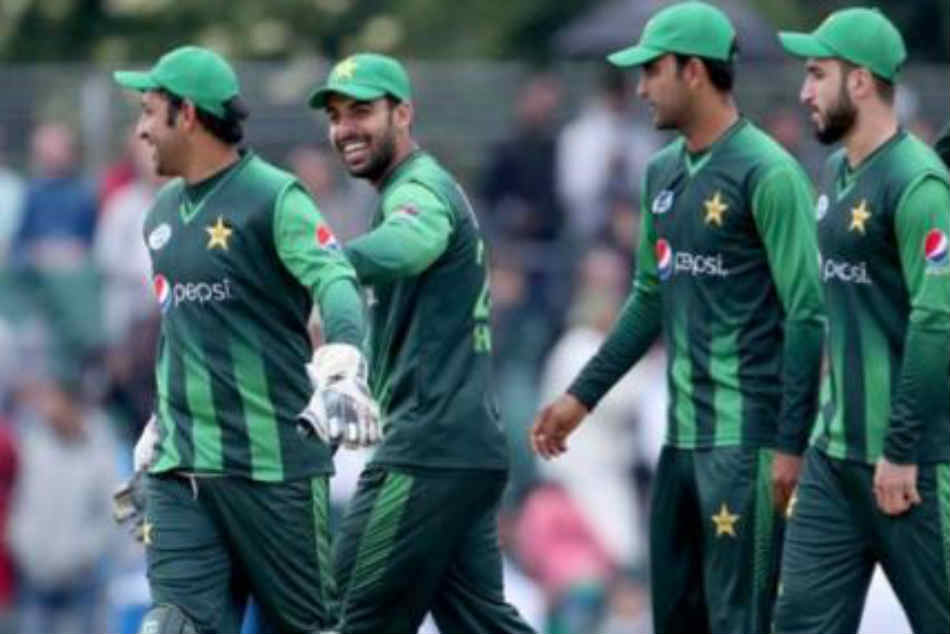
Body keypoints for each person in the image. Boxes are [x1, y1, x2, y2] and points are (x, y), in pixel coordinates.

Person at [530, 3, 827, 633]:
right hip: (679, 446)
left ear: (693, 71)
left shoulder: (769, 173)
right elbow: (649, 299)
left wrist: (789, 444)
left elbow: (807, 315)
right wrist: (580, 398)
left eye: (651, 71)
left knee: (741, 621)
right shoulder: (661, 172)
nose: (640, 88)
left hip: (747, 447)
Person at [113, 45, 379, 634]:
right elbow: (183, 327)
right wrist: (158, 426)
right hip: (182, 473)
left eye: (149, 112)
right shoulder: (158, 215)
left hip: (276, 472)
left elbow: (335, 279)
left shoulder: (273, 197)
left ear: (187, 114)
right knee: (171, 626)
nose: (141, 130)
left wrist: (342, 364)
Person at [309, 52, 534, 634]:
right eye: (335, 116)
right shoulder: (408, 189)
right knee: (483, 623)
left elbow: (413, 242)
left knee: (341, 617)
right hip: (463, 448)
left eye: (361, 111)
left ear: (403, 114)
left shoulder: (420, 188)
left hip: (427, 449)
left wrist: (325, 264)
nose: (345, 128)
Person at [775, 9, 950, 634]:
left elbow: (937, 324)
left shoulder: (919, 184)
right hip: (834, 462)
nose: (805, 92)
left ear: (860, 81)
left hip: (913, 467)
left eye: (816, 74)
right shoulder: (835, 173)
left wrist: (900, 449)